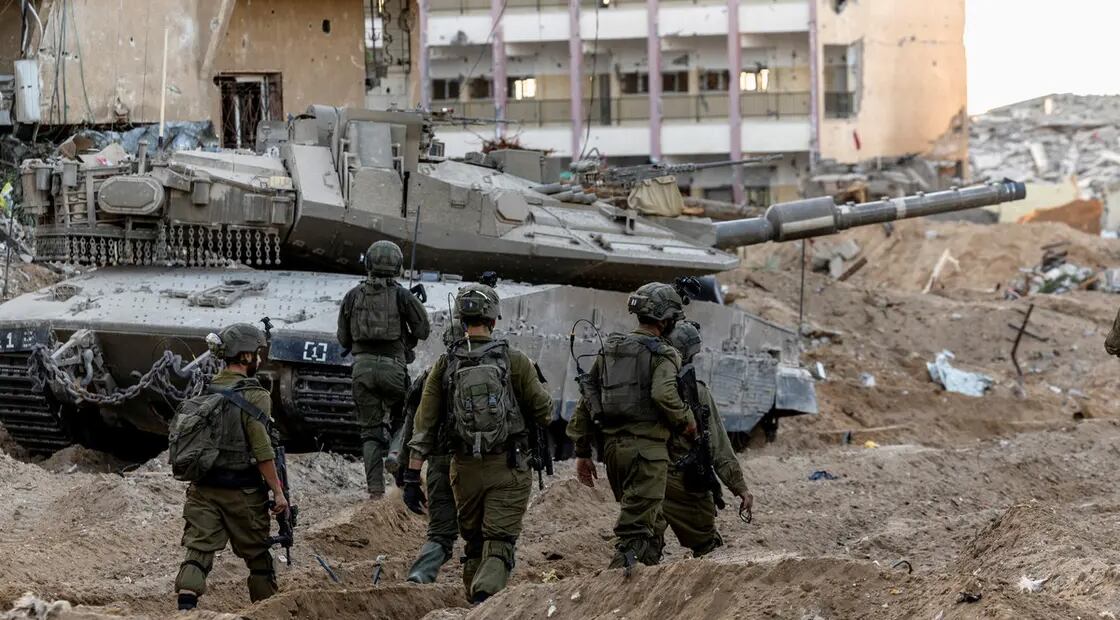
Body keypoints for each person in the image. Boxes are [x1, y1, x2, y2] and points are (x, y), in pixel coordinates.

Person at [406, 284, 553, 603]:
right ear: (494, 320)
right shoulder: (515, 360)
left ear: (461, 319)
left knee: (474, 545)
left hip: (463, 470)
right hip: (508, 467)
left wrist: (412, 475)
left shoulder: (444, 365)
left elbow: (424, 424)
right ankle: (485, 598)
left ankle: (472, 603)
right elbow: (544, 412)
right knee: (498, 542)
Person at [567, 282, 696, 570]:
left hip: (615, 453)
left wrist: (582, 452)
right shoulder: (664, 353)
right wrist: (687, 422)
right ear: (665, 320)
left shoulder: (611, 349)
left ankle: (643, 585)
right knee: (635, 534)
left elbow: (587, 399)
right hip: (647, 455)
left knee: (652, 521)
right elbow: (663, 394)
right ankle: (616, 587)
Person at [174, 323, 286, 611]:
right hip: (243, 494)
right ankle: (265, 613)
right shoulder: (256, 395)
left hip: (203, 489)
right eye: (257, 354)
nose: (259, 359)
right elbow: (262, 451)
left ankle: (185, 611)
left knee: (198, 553)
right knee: (259, 559)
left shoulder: (205, 387)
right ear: (245, 356)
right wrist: (278, 491)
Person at [337, 240, 431, 498]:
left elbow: (343, 339)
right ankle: (395, 453)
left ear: (368, 263)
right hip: (393, 368)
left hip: (362, 369)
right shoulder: (402, 296)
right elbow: (423, 330)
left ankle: (375, 492)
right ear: (398, 266)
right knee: (404, 416)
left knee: (370, 432)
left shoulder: (352, 296)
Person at [657, 320, 753, 557]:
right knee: (708, 545)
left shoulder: (642, 386)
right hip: (680, 479)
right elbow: (717, 444)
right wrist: (739, 487)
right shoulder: (695, 391)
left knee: (640, 544)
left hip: (641, 475)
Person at [391, 324, 465, 584]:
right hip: (483, 464)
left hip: (441, 463)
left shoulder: (430, 376)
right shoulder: (499, 370)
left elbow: (414, 427)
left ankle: (420, 576)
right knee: (486, 534)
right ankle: (484, 589)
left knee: (440, 533)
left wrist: (407, 473)